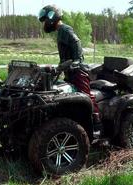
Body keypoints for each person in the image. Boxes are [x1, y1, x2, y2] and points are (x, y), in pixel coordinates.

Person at [38, 5, 102, 137]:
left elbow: (77, 45)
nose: (45, 23)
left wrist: (76, 61)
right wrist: (59, 68)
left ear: (52, 17)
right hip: (70, 71)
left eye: (45, 20)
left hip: (78, 71)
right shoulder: (60, 31)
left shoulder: (65, 30)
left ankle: (97, 123)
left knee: (85, 97)